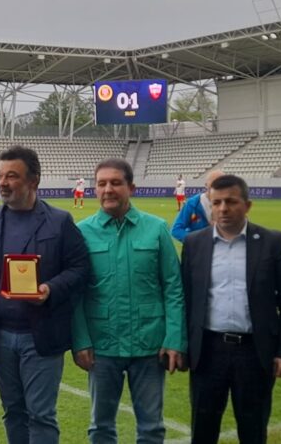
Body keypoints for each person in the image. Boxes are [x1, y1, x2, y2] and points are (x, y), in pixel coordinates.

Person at [0, 146, 91, 444]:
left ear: (34, 181)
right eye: (0, 175)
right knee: (13, 411)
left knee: (41, 415)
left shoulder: (59, 221)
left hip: (40, 335)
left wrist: (50, 288)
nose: (2, 183)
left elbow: (80, 268)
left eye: (12, 176)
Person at [72, 158, 186, 444]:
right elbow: (75, 293)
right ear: (94, 190)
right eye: (101, 184)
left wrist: (174, 338)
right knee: (100, 427)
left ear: (131, 188)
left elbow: (173, 287)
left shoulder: (156, 228)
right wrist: (80, 341)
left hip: (149, 344)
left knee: (151, 428)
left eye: (115, 183)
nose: (108, 189)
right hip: (102, 346)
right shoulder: (81, 233)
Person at [181, 174, 281, 444]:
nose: (223, 209)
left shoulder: (272, 242)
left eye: (231, 202)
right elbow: (186, 299)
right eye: (217, 203)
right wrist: (182, 346)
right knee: (202, 429)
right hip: (208, 351)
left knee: (253, 429)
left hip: (254, 352)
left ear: (247, 205)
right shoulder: (194, 244)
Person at [171, 171, 224, 243]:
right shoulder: (193, 203)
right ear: (206, 185)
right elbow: (176, 230)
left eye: (222, 185)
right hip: (199, 249)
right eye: (213, 184)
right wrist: (196, 240)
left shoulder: (232, 204)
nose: (218, 188)